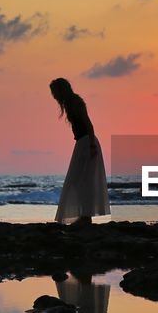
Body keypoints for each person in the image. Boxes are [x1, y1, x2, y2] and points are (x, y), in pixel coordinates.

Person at [49, 77, 110, 224]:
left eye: (55, 92)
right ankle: (84, 215)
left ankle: (85, 216)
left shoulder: (74, 102)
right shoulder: (70, 103)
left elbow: (88, 124)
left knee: (81, 181)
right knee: (79, 181)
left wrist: (91, 145)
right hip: (82, 143)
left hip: (87, 143)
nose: (54, 96)